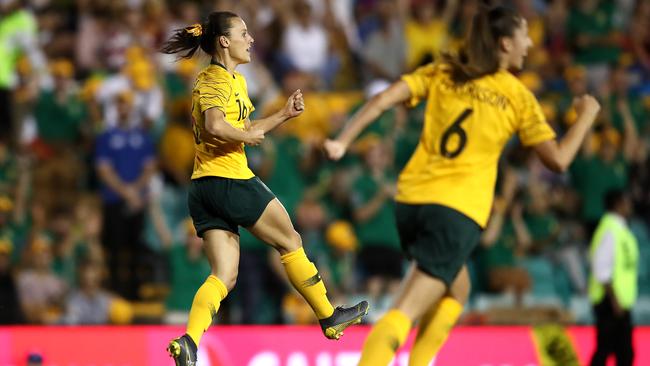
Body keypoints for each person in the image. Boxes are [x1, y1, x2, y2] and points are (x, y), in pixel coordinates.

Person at [324, 5, 601, 365]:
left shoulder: (445, 72)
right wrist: (587, 116)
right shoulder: (516, 96)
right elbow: (559, 159)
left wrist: (343, 140)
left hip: (411, 202)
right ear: (504, 44)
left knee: (459, 288)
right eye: (523, 36)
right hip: (456, 210)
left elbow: (382, 100)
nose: (530, 43)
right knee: (404, 310)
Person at [160, 12, 368, 366]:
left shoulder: (235, 81)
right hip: (230, 179)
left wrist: (283, 116)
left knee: (224, 275)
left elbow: (244, 125)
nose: (251, 39)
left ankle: (189, 341)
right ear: (224, 41)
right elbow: (214, 124)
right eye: (243, 32)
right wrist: (244, 136)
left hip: (204, 189)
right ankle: (329, 316)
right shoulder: (214, 78)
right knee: (291, 242)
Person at [588, 190, 638, 366]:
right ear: (617, 204)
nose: (629, 205)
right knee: (608, 351)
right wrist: (614, 300)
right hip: (609, 301)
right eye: (626, 200)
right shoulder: (610, 230)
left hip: (620, 302)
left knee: (621, 352)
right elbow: (601, 268)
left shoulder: (620, 229)